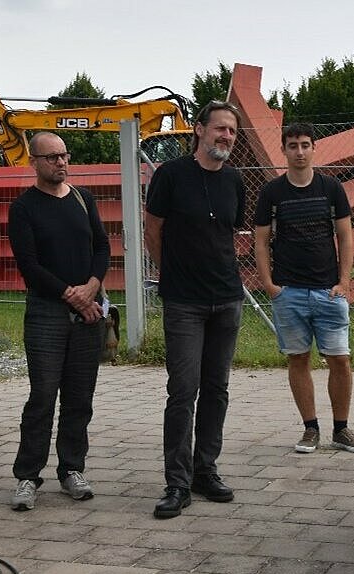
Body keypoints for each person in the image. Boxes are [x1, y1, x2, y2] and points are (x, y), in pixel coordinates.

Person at [142, 101, 244, 519]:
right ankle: (177, 482)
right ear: (199, 130)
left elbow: (229, 233)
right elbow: (153, 229)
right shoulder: (170, 176)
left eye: (232, 131)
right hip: (184, 301)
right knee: (183, 390)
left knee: (217, 389)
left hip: (227, 298)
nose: (226, 137)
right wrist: (170, 273)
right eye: (219, 128)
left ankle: (206, 469)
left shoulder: (235, 180)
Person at [252, 123, 354, 455]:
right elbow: (260, 242)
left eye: (305, 145)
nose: (299, 151)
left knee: (341, 360)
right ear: (284, 150)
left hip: (328, 292)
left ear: (314, 148)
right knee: (299, 359)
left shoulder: (331, 188)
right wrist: (270, 286)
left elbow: (345, 237)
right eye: (293, 145)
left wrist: (344, 282)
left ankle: (342, 430)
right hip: (288, 292)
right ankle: (310, 428)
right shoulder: (272, 193)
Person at [7, 132, 108, 510]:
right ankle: (28, 476)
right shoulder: (24, 208)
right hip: (47, 313)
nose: (60, 163)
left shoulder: (83, 199)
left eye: (64, 156)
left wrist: (91, 288)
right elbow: (29, 266)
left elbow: (102, 246)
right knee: (43, 397)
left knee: (80, 397)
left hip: (88, 312)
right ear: (33, 162)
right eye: (51, 158)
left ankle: (72, 469)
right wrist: (73, 295)